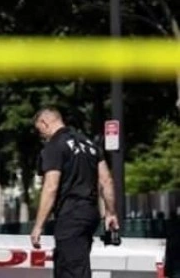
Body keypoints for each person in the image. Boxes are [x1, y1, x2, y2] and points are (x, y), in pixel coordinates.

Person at [31, 107, 120, 278]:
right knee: (65, 265)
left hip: (70, 214)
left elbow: (51, 186)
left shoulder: (54, 146)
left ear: (44, 123)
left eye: (39, 130)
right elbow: (106, 180)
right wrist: (110, 212)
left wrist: (39, 225)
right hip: (90, 213)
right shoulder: (89, 144)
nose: (41, 135)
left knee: (74, 269)